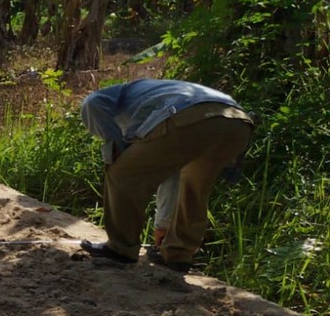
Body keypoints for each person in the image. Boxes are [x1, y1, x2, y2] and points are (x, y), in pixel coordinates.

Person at [78, 79, 253, 271]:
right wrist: (163, 225)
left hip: (189, 115)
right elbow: (172, 173)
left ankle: (120, 249)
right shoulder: (151, 93)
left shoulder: (108, 99)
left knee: (122, 175)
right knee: (193, 189)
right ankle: (177, 254)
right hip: (238, 123)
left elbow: (91, 103)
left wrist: (115, 148)